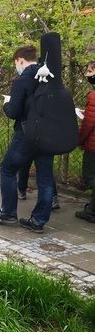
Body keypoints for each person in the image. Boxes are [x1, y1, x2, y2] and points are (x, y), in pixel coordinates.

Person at [0, 45, 54, 233]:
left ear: (20, 60)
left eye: (16, 63)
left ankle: (9, 213)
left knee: (8, 170)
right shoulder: (51, 77)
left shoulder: (22, 81)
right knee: (45, 178)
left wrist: (6, 104)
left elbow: (14, 112)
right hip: (47, 135)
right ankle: (38, 220)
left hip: (25, 136)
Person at [75, 61, 95, 223]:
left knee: (89, 177)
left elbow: (88, 124)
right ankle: (92, 211)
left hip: (93, 146)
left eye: (90, 71)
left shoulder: (93, 96)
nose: (87, 75)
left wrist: (79, 139)